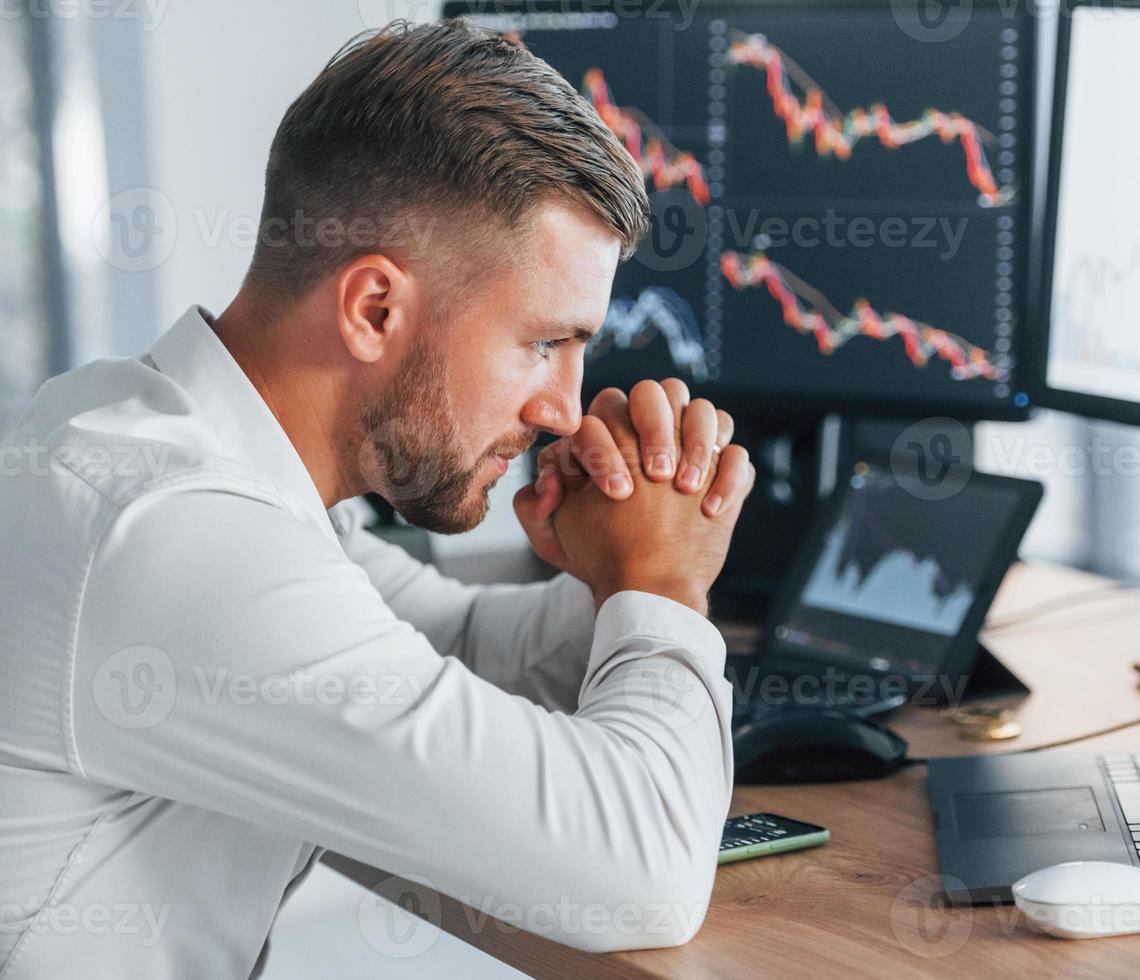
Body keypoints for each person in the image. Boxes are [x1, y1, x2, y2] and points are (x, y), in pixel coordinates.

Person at [0, 20, 755, 978]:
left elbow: (464, 656)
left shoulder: (169, 443)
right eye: (541, 343)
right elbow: (639, 876)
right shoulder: (175, 532)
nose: (564, 410)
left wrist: (620, 562)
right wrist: (662, 584)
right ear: (374, 311)